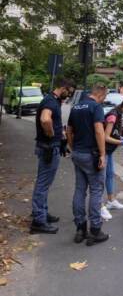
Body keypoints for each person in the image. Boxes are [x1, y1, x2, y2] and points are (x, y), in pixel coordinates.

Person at [30, 78, 75, 234]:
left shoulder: (52, 100)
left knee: (44, 183)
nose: (68, 95)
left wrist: (60, 136)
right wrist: (51, 135)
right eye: (68, 92)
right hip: (49, 147)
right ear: (63, 87)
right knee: (43, 184)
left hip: (50, 147)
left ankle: (42, 212)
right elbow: (45, 119)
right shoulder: (50, 101)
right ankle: (38, 220)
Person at [66, 83, 109, 246]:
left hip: (78, 153)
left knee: (79, 190)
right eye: (104, 97)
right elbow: (99, 130)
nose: (104, 100)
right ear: (100, 94)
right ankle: (95, 230)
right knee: (96, 191)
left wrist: (72, 148)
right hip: (91, 155)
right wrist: (103, 154)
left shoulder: (76, 107)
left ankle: (80, 228)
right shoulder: (96, 107)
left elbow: (68, 130)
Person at [100, 97, 123, 220]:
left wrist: (121, 138)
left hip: (109, 151)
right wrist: (121, 143)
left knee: (110, 175)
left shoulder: (118, 114)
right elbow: (105, 137)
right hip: (104, 151)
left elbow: (114, 132)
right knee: (101, 179)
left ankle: (111, 200)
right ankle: (100, 207)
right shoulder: (113, 116)